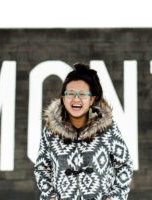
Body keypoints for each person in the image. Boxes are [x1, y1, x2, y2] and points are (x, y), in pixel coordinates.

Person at [34, 63, 133, 200]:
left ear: (91, 99)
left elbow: (124, 165)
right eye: (70, 94)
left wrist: (115, 197)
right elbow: (42, 168)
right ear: (63, 97)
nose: (76, 99)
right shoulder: (51, 131)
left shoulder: (107, 129)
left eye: (82, 94)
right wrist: (50, 197)